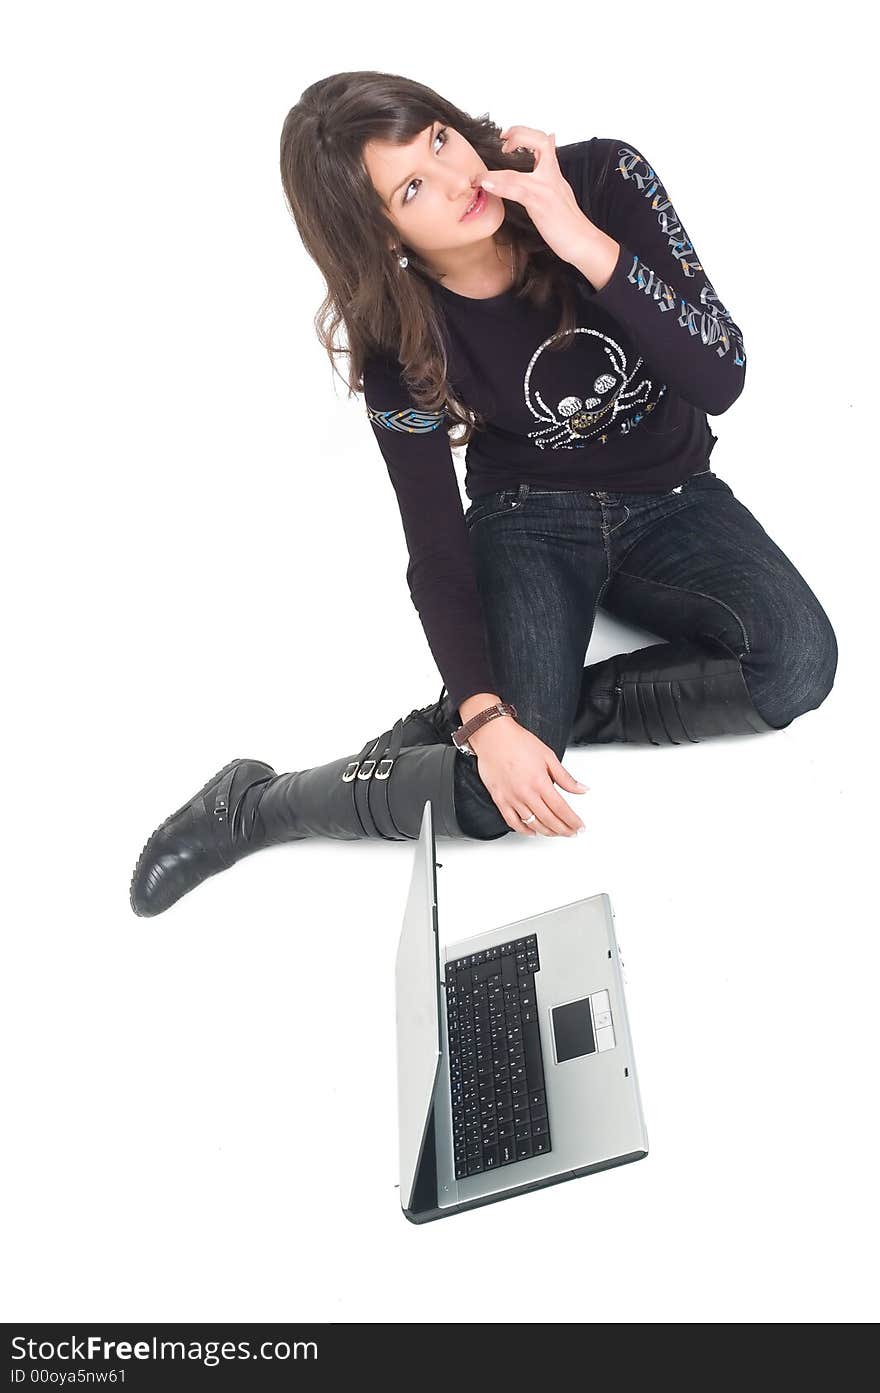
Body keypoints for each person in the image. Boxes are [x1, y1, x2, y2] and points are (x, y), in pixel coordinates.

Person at [129, 70, 837, 918]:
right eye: (413, 188)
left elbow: (720, 374)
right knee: (489, 800)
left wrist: (579, 239)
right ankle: (253, 804)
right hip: (530, 518)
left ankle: (536, 719)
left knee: (797, 664)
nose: (456, 179)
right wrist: (489, 716)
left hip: (676, 494)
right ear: (379, 233)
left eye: (437, 139)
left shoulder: (602, 178)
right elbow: (434, 549)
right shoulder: (398, 332)